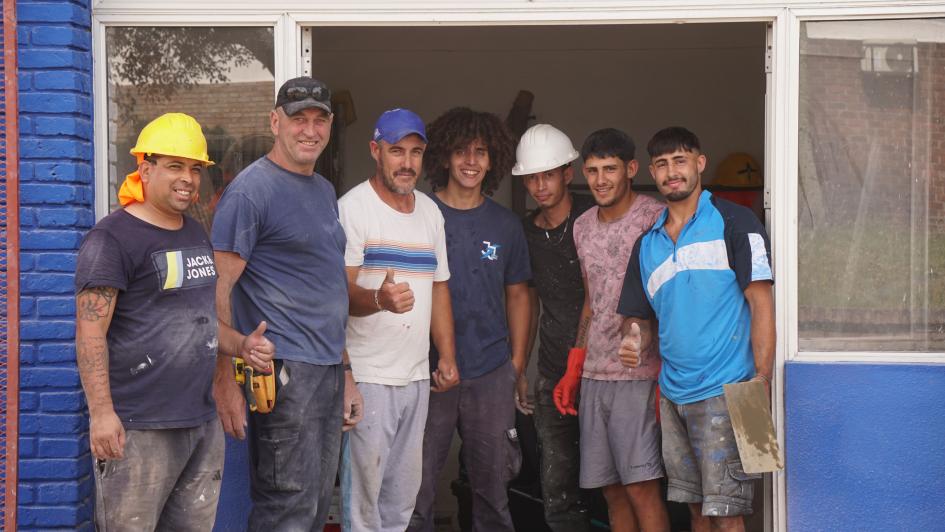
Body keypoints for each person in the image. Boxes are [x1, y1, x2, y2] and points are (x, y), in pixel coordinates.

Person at [210, 76, 363, 531]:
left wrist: (347, 373)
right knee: (286, 510)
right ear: (275, 122)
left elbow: (327, 287)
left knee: (316, 507)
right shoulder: (251, 191)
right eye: (299, 120)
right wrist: (224, 380)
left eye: (320, 120)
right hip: (282, 373)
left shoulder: (322, 191)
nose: (310, 130)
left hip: (326, 372)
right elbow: (218, 287)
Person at [617, 127, 775, 532]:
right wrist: (634, 338)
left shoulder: (736, 221)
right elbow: (640, 319)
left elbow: (762, 303)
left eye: (681, 160)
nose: (672, 172)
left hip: (735, 391)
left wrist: (761, 380)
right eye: (663, 164)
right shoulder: (646, 245)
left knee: (730, 513)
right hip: (673, 396)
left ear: (700, 163)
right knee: (695, 510)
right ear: (652, 171)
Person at [75, 113, 223, 530]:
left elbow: (200, 317)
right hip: (139, 428)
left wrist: (241, 345)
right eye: (175, 166)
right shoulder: (112, 239)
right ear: (145, 168)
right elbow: (90, 331)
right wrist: (101, 413)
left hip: (199, 421)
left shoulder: (195, 232)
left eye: (195, 168)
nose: (188, 178)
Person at [407, 107, 531, 532]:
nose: (471, 161)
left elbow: (518, 295)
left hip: (490, 372)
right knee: (415, 494)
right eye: (461, 151)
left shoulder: (505, 224)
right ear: (444, 156)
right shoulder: (418, 214)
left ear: (493, 158)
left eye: (481, 151)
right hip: (425, 370)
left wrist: (514, 366)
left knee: (493, 495)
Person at [338, 108, 460, 532]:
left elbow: (439, 286)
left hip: (415, 379)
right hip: (369, 377)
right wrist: (379, 299)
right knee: (363, 507)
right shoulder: (353, 209)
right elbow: (337, 294)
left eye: (415, 152)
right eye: (396, 151)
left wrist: (446, 354)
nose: (407, 162)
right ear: (375, 151)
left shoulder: (430, 212)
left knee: (401, 504)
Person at [555, 128, 669, 532]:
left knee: (642, 487)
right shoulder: (583, 225)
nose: (601, 179)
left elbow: (669, 297)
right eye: (592, 170)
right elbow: (592, 298)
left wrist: (651, 352)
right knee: (611, 491)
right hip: (595, 375)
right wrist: (575, 363)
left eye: (610, 169)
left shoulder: (654, 218)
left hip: (638, 374)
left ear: (631, 170)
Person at [512, 123, 594, 531]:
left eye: (548, 174)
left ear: (568, 173)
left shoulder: (594, 220)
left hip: (604, 374)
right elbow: (527, 300)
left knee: (615, 486)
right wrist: (522, 369)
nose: (540, 185)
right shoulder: (526, 233)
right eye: (532, 177)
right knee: (558, 493)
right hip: (551, 373)